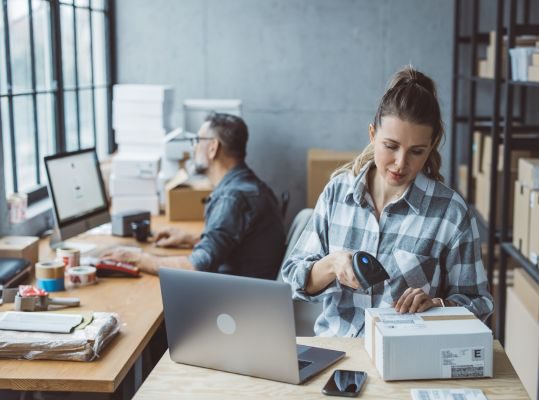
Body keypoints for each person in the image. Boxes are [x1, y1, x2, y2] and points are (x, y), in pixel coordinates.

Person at [281, 66, 493, 337]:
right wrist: (332, 265)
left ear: (432, 146)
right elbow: (293, 279)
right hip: (338, 354)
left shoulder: (450, 213)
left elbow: (480, 304)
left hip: (404, 360)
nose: (401, 163)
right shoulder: (337, 193)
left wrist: (438, 306)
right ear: (372, 135)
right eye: (390, 146)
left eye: (417, 151)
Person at [103, 113, 286, 280]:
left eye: (198, 140)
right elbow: (239, 243)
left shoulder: (232, 198)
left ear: (213, 147)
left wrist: (137, 258)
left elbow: (196, 267)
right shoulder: (249, 186)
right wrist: (190, 239)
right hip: (249, 290)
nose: (194, 148)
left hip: (233, 302)